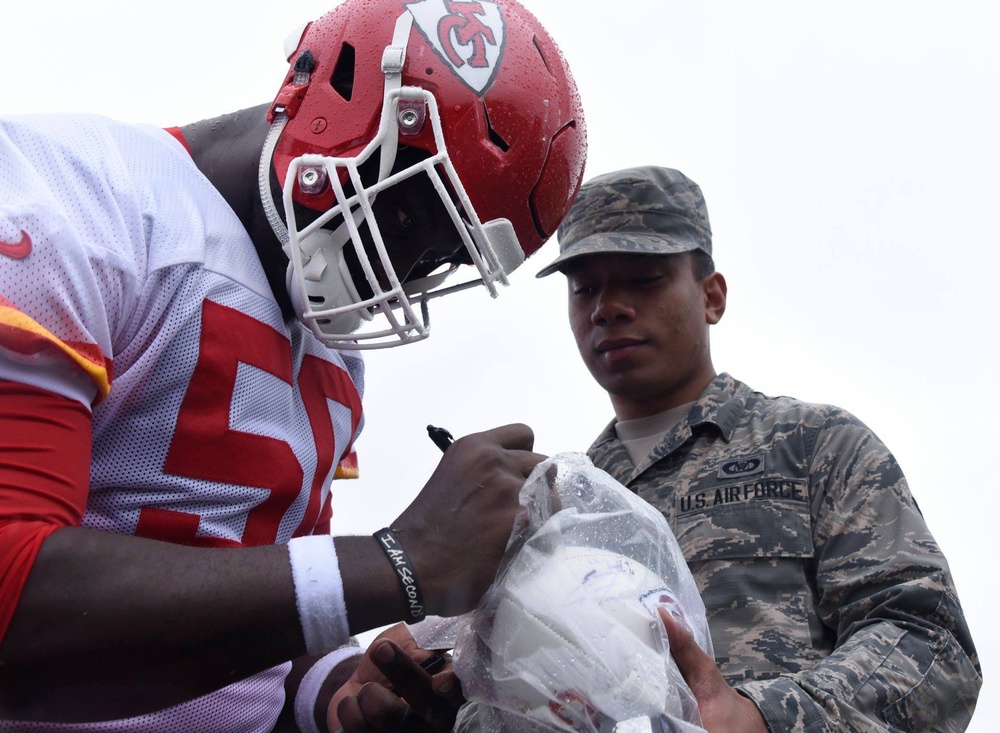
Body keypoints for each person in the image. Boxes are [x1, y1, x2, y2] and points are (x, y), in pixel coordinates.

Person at [0, 0, 586, 730]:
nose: (397, 276)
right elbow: (12, 607)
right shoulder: (65, 205)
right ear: (331, 99)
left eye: (440, 260)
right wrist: (396, 562)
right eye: (406, 215)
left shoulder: (336, 353)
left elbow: (267, 632)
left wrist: (340, 691)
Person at [532, 165, 982, 731]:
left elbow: (930, 641)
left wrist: (764, 718)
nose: (608, 308)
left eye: (643, 279)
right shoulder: (559, 504)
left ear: (711, 297)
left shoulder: (816, 445)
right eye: (585, 289)